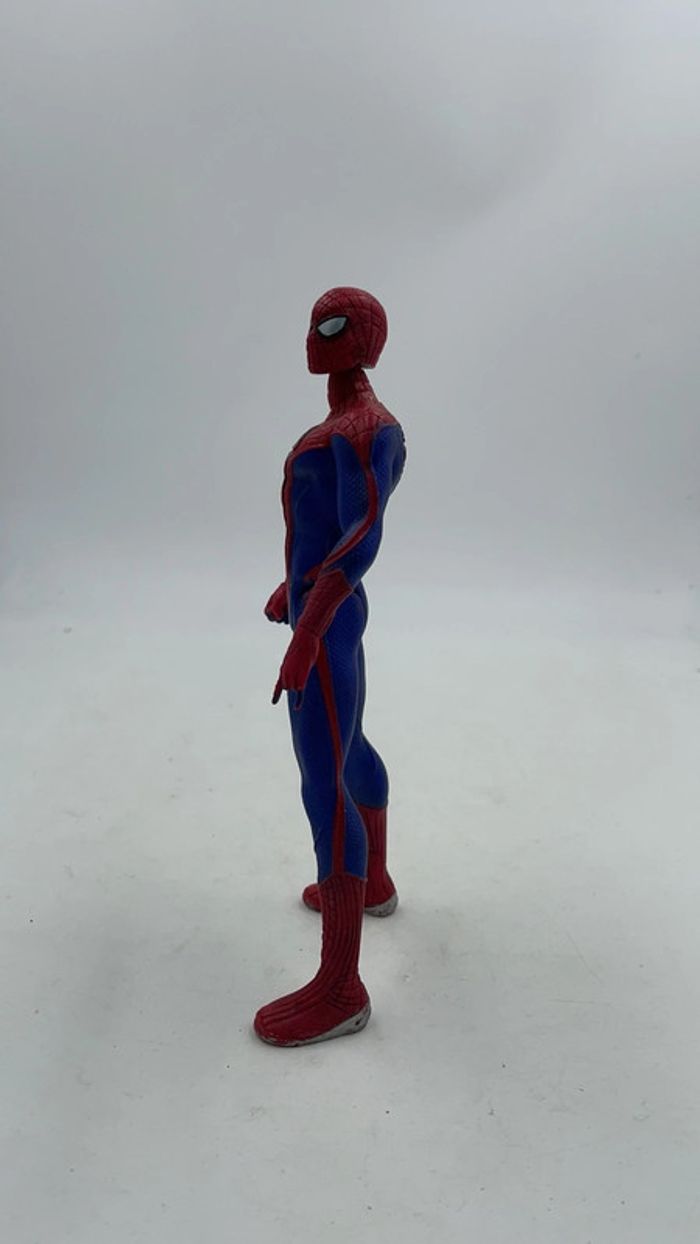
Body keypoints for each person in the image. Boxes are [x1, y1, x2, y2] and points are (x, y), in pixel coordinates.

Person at [254, 286, 406, 1046]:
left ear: (366, 338)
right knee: (352, 745)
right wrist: (296, 586)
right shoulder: (344, 423)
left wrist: (308, 630)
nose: (316, 337)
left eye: (335, 323)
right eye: (313, 322)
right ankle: (372, 883)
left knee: (324, 782)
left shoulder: (367, 428)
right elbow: (324, 534)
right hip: (327, 610)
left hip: (331, 619)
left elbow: (361, 537)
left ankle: (342, 987)